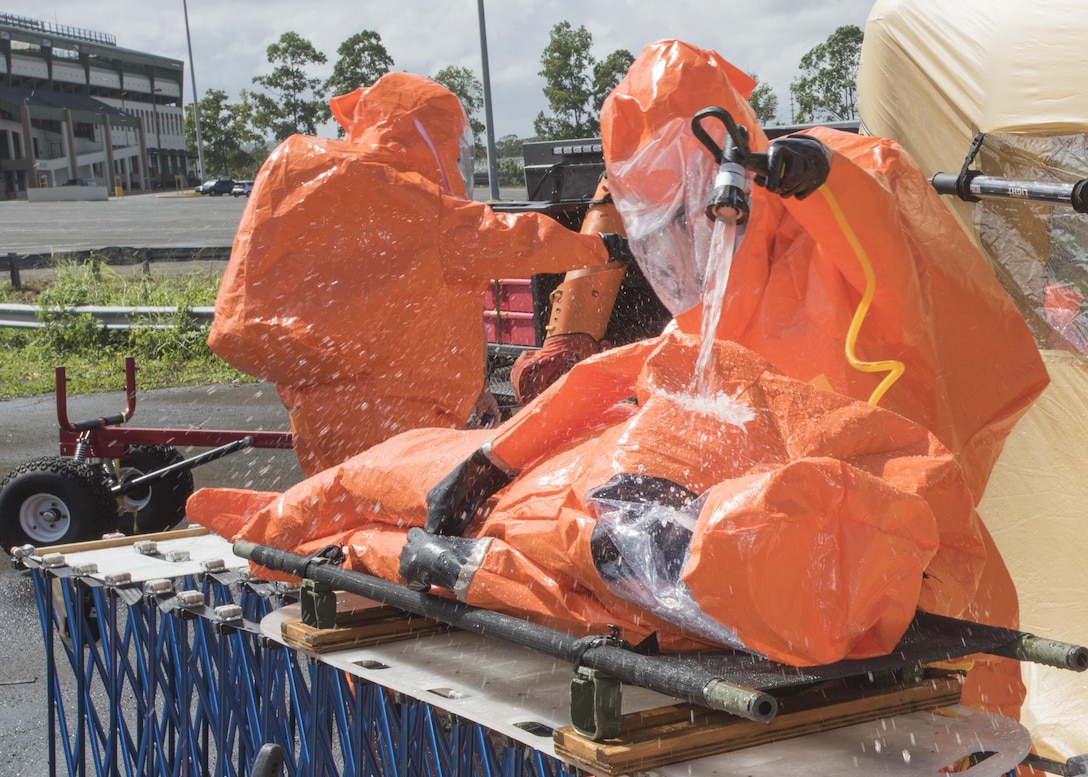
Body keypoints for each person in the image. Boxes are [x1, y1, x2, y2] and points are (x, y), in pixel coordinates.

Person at [189, 41, 1049, 719]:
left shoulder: (817, 191)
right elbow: (639, 366)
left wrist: (815, 182)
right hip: (711, 518)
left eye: (673, 213)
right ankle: (290, 517)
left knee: (423, 511)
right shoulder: (727, 279)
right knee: (430, 499)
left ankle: (286, 518)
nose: (672, 244)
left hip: (835, 526)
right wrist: (499, 454)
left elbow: (878, 219)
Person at [210, 71, 620, 476]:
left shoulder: (348, 192)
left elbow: (425, 311)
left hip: (319, 405)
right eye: (452, 149)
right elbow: (520, 241)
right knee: (394, 521)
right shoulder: (418, 210)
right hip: (391, 414)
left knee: (340, 515)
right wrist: (599, 247)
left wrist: (475, 389)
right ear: (425, 138)